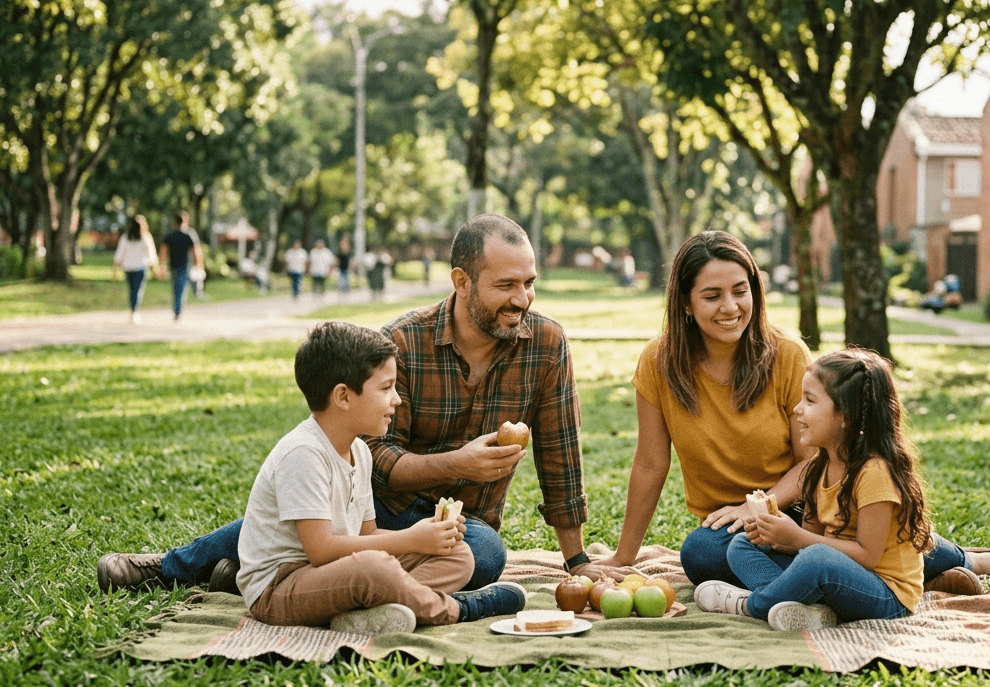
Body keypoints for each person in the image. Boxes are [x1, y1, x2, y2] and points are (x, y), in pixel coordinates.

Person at [97, 214, 624, 595]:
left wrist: (576, 557)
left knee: (485, 556)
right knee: (319, 525)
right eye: (506, 285)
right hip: (374, 507)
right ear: (462, 282)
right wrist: (456, 463)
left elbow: (560, 451)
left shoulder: (547, 344)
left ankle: (279, 578)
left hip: (464, 521)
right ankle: (170, 567)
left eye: (529, 283)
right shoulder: (402, 341)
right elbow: (375, 450)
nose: (522, 299)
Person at [592, 230, 990, 596]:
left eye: (740, 291)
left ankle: (968, 560)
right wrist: (623, 556)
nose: (730, 308)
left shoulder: (786, 354)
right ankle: (902, 579)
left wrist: (764, 507)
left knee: (854, 546)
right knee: (700, 554)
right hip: (729, 526)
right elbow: (651, 463)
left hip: (807, 508)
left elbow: (813, 459)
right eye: (712, 296)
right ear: (686, 304)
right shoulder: (659, 362)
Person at [238, 321, 526, 633]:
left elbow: (368, 535)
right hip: (281, 588)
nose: (397, 399)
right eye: (386, 388)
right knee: (372, 568)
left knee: (458, 555)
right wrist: (410, 538)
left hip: (336, 576)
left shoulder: (360, 452)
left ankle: (374, 612)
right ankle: (458, 608)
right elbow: (320, 551)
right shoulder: (304, 453)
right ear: (344, 397)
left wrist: (428, 535)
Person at [694, 348, 932, 630]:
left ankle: (751, 605)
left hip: (887, 595)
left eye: (809, 400)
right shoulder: (818, 467)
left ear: (846, 415)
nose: (797, 409)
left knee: (817, 560)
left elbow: (867, 556)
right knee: (742, 544)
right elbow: (810, 538)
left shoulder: (875, 473)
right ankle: (805, 609)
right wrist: (779, 536)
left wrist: (797, 539)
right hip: (833, 579)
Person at [111, 215, 159, 324]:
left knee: (133, 290)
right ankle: (134, 311)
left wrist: (115, 269)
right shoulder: (143, 237)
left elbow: (119, 254)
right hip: (139, 268)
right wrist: (154, 268)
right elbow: (152, 255)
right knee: (136, 290)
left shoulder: (128, 237)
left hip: (131, 268)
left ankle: (133, 311)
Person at [159, 211, 203, 321]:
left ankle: (177, 309)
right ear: (185, 220)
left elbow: (163, 251)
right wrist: (199, 264)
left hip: (173, 265)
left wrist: (163, 266)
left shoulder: (169, 234)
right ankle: (178, 309)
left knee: (177, 287)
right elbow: (196, 251)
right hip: (185, 265)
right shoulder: (189, 233)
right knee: (181, 287)